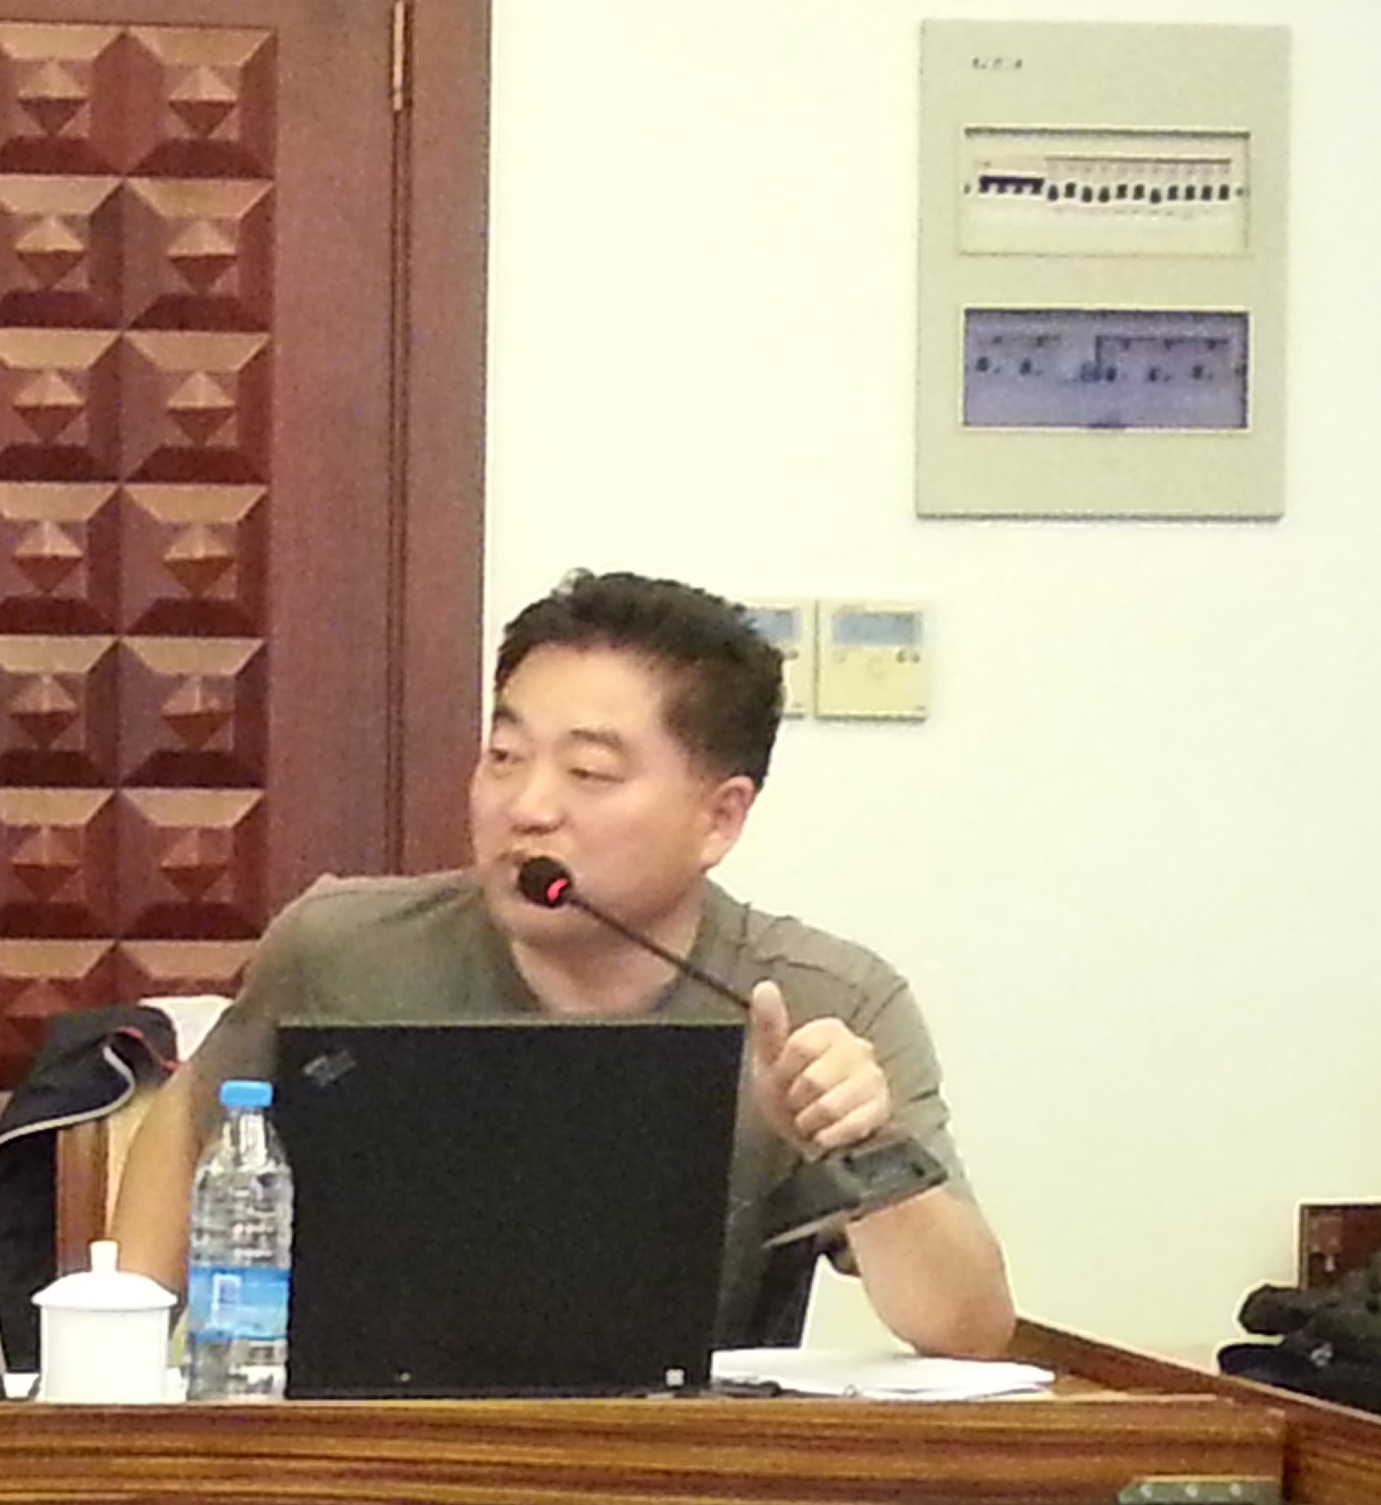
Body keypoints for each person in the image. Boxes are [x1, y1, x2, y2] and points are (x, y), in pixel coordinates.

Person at [109, 570, 1014, 1357]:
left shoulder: (821, 1003)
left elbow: (968, 1333)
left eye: (588, 773)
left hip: (677, 1471)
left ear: (720, 818)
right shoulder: (345, 948)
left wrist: (857, 1146)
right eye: (504, 757)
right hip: (368, 1455)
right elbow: (193, 1121)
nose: (527, 806)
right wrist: (122, 1353)